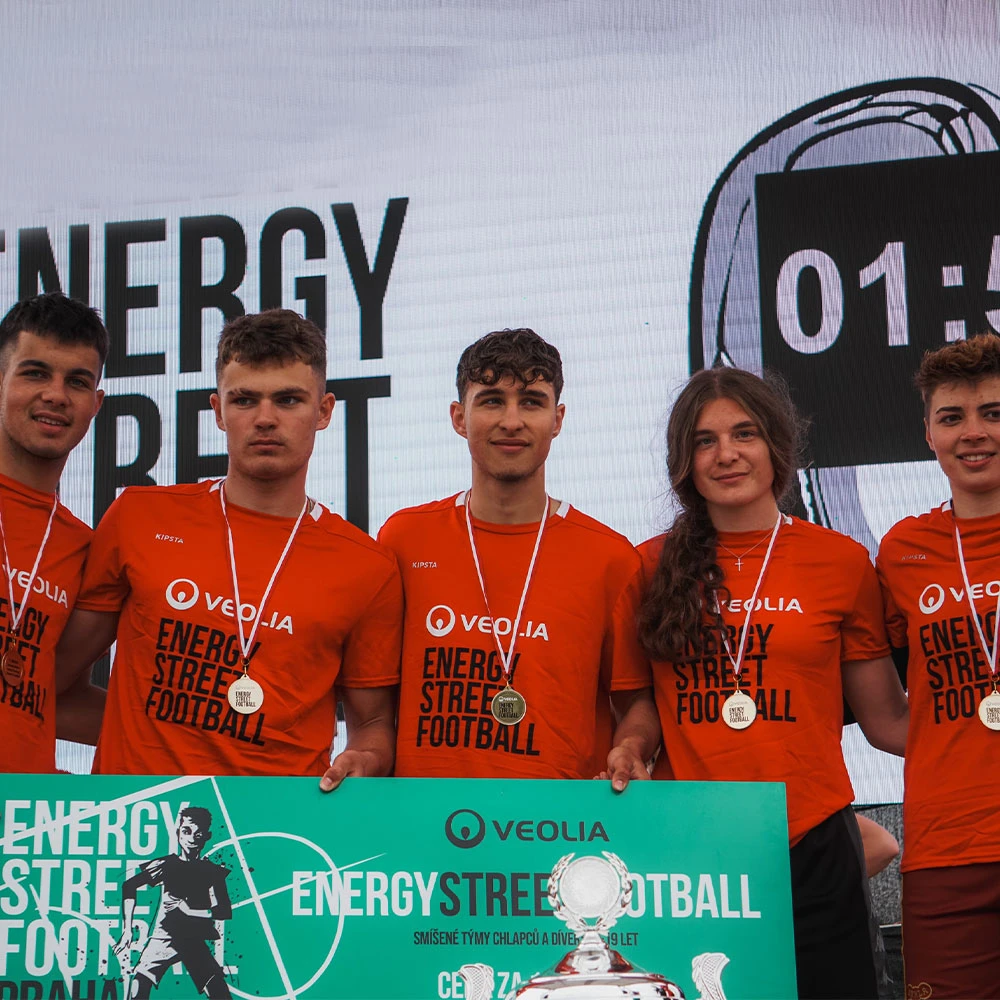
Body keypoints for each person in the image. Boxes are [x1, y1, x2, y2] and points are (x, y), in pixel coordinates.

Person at [638, 366, 908, 1000]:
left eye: (745, 433)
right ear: (683, 461)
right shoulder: (647, 565)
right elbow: (633, 708)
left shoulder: (840, 560)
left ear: (777, 445)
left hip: (813, 843)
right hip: (692, 852)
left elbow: (887, 722)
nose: (726, 454)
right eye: (704, 441)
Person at [55, 309, 402, 788]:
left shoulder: (367, 565)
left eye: (288, 400)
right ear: (218, 411)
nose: (265, 419)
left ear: (324, 411)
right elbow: (48, 683)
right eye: (244, 400)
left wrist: (365, 758)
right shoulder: (140, 516)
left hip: (281, 822)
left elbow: (374, 724)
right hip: (138, 818)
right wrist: (139, 732)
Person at [379, 328, 660, 785]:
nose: (512, 421)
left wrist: (631, 748)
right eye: (492, 401)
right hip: (424, 818)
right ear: (458, 417)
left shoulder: (610, 557)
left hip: (557, 821)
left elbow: (637, 702)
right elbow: (374, 707)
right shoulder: (404, 539)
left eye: (531, 402)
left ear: (557, 419)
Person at [876, 333, 1000, 998]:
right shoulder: (902, 550)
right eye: (953, 417)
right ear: (928, 433)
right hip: (946, 848)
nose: (973, 432)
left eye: (994, 413)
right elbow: (888, 712)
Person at [0, 292, 108, 769]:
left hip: (23, 809)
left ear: (95, 403)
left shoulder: (84, 547)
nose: (56, 395)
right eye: (35, 373)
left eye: (77, 381)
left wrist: (220, 741)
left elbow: (56, 696)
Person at [115, 806, 232, 999]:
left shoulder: (212, 871)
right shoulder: (166, 864)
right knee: (138, 986)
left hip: (193, 938)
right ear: (178, 832)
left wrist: (190, 912)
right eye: (186, 831)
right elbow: (129, 886)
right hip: (164, 936)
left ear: (207, 837)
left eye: (198, 834)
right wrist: (127, 930)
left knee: (219, 991)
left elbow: (224, 911)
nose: (191, 838)